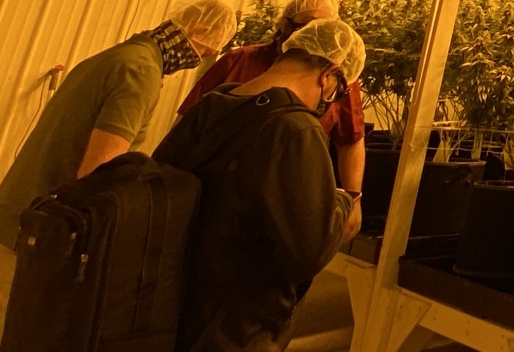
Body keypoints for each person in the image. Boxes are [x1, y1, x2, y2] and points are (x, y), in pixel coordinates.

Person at [0, 0, 239, 352]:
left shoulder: (114, 58)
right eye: (207, 51)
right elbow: (97, 175)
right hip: (27, 246)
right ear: (199, 33)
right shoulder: (141, 72)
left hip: (9, 228)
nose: (201, 59)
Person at [157, 19, 367, 352]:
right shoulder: (296, 129)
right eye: (339, 92)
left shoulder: (213, 105)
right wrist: (342, 203)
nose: (331, 101)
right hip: (237, 329)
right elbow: (309, 251)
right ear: (329, 74)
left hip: (173, 310)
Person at [179, 0, 366, 195]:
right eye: (306, 25)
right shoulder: (238, 62)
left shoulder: (338, 80)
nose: (314, 32)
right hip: (212, 188)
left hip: (286, 189)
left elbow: (351, 138)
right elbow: (187, 123)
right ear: (286, 25)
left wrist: (352, 197)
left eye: (323, 27)